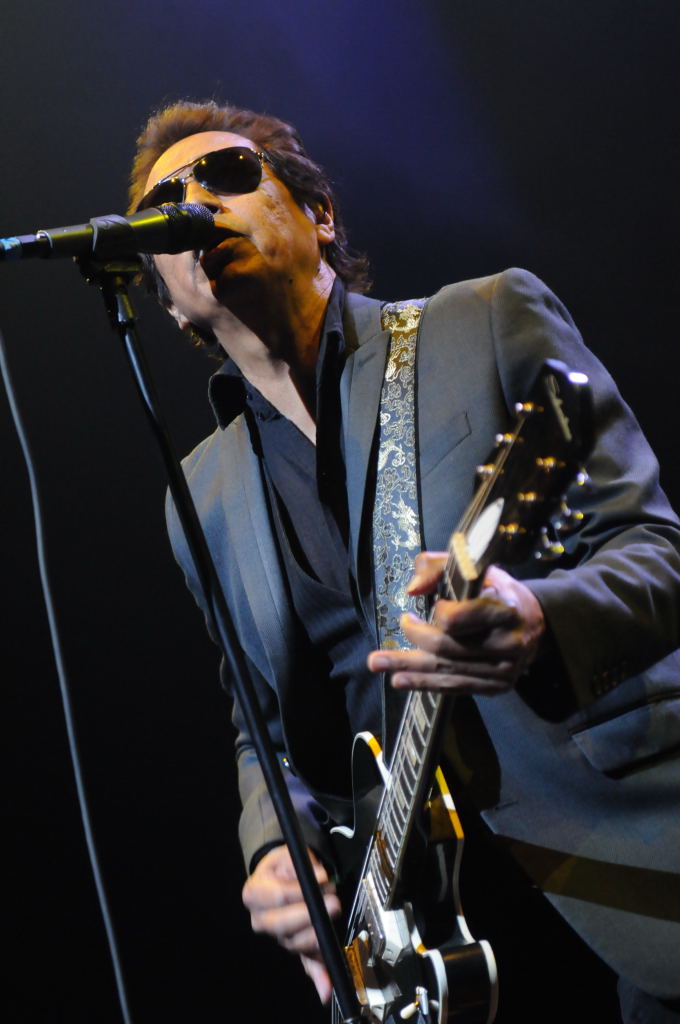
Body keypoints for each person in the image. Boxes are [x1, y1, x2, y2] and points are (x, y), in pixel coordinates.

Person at [127, 100, 680, 1022]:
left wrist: (541, 618)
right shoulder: (200, 497)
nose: (195, 205)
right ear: (167, 291)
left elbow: (655, 551)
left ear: (320, 215)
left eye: (227, 175)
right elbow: (259, 725)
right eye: (163, 205)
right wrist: (275, 846)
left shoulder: (484, 320)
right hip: (426, 939)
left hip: (624, 860)